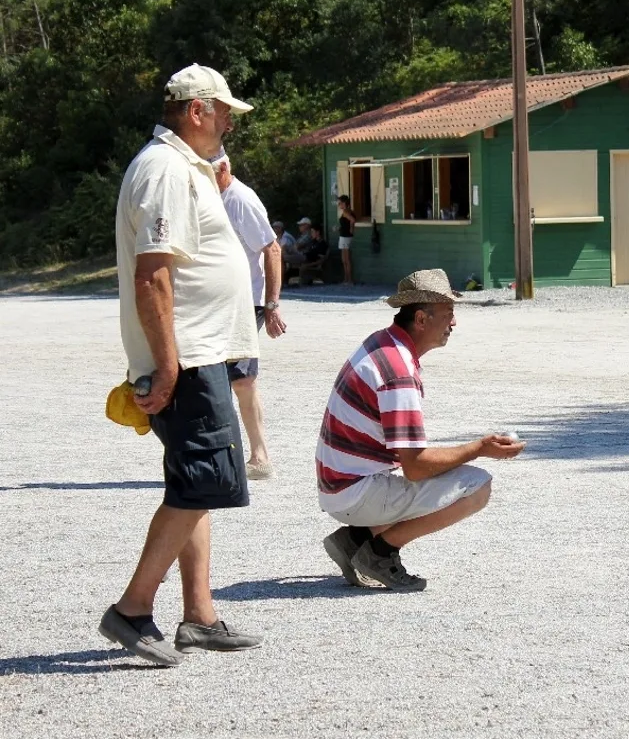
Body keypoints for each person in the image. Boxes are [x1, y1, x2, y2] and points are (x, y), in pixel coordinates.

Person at [102, 63, 262, 667]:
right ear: (197, 110)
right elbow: (154, 275)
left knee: (195, 484)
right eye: (223, 113)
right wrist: (166, 366)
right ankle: (132, 609)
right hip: (188, 358)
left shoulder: (181, 169)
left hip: (200, 352)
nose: (228, 124)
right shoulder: (165, 169)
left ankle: (199, 615)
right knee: (207, 481)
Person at [316, 269, 525, 591]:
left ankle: (354, 540)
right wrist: (480, 447)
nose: (453, 323)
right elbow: (416, 468)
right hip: (353, 492)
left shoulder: (381, 342)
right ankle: (380, 553)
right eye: (448, 314)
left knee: (429, 477)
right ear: (421, 320)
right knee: (477, 486)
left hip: (339, 484)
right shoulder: (399, 372)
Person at [212, 152, 287, 479]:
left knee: (240, 379)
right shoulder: (208, 197)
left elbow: (272, 248)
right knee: (216, 379)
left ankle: (259, 456)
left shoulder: (240, 199)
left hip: (246, 303)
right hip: (216, 302)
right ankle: (231, 457)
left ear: (224, 168)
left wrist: (271, 305)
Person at [336, 195, 355, 285]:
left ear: (344, 203)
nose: (339, 205)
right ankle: (346, 279)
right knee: (344, 260)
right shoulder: (348, 211)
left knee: (346, 259)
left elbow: (352, 220)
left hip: (345, 237)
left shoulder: (345, 212)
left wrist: (351, 228)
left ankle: (349, 279)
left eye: (340, 203)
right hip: (344, 236)